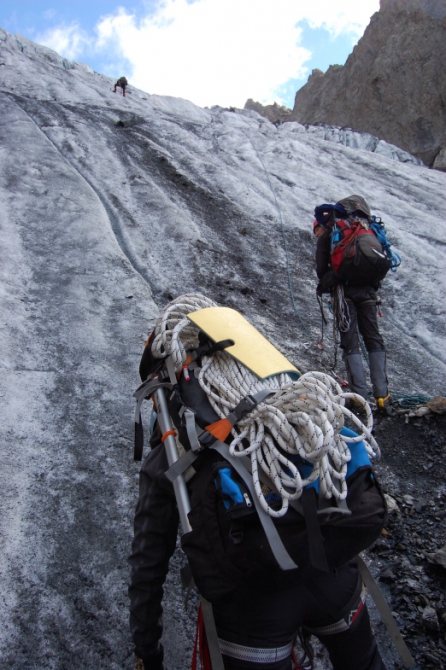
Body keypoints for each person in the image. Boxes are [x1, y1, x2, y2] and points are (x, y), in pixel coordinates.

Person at [128, 336, 388, 670]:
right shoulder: (279, 399)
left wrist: (146, 650)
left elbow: (147, 564)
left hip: (253, 610)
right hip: (334, 575)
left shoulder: (172, 452)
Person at [314, 195, 391, 412]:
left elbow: (322, 269)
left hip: (344, 293)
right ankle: (383, 396)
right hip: (368, 291)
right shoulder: (368, 229)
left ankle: (358, 397)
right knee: (373, 338)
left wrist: (327, 283)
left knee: (351, 342)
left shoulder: (331, 232)